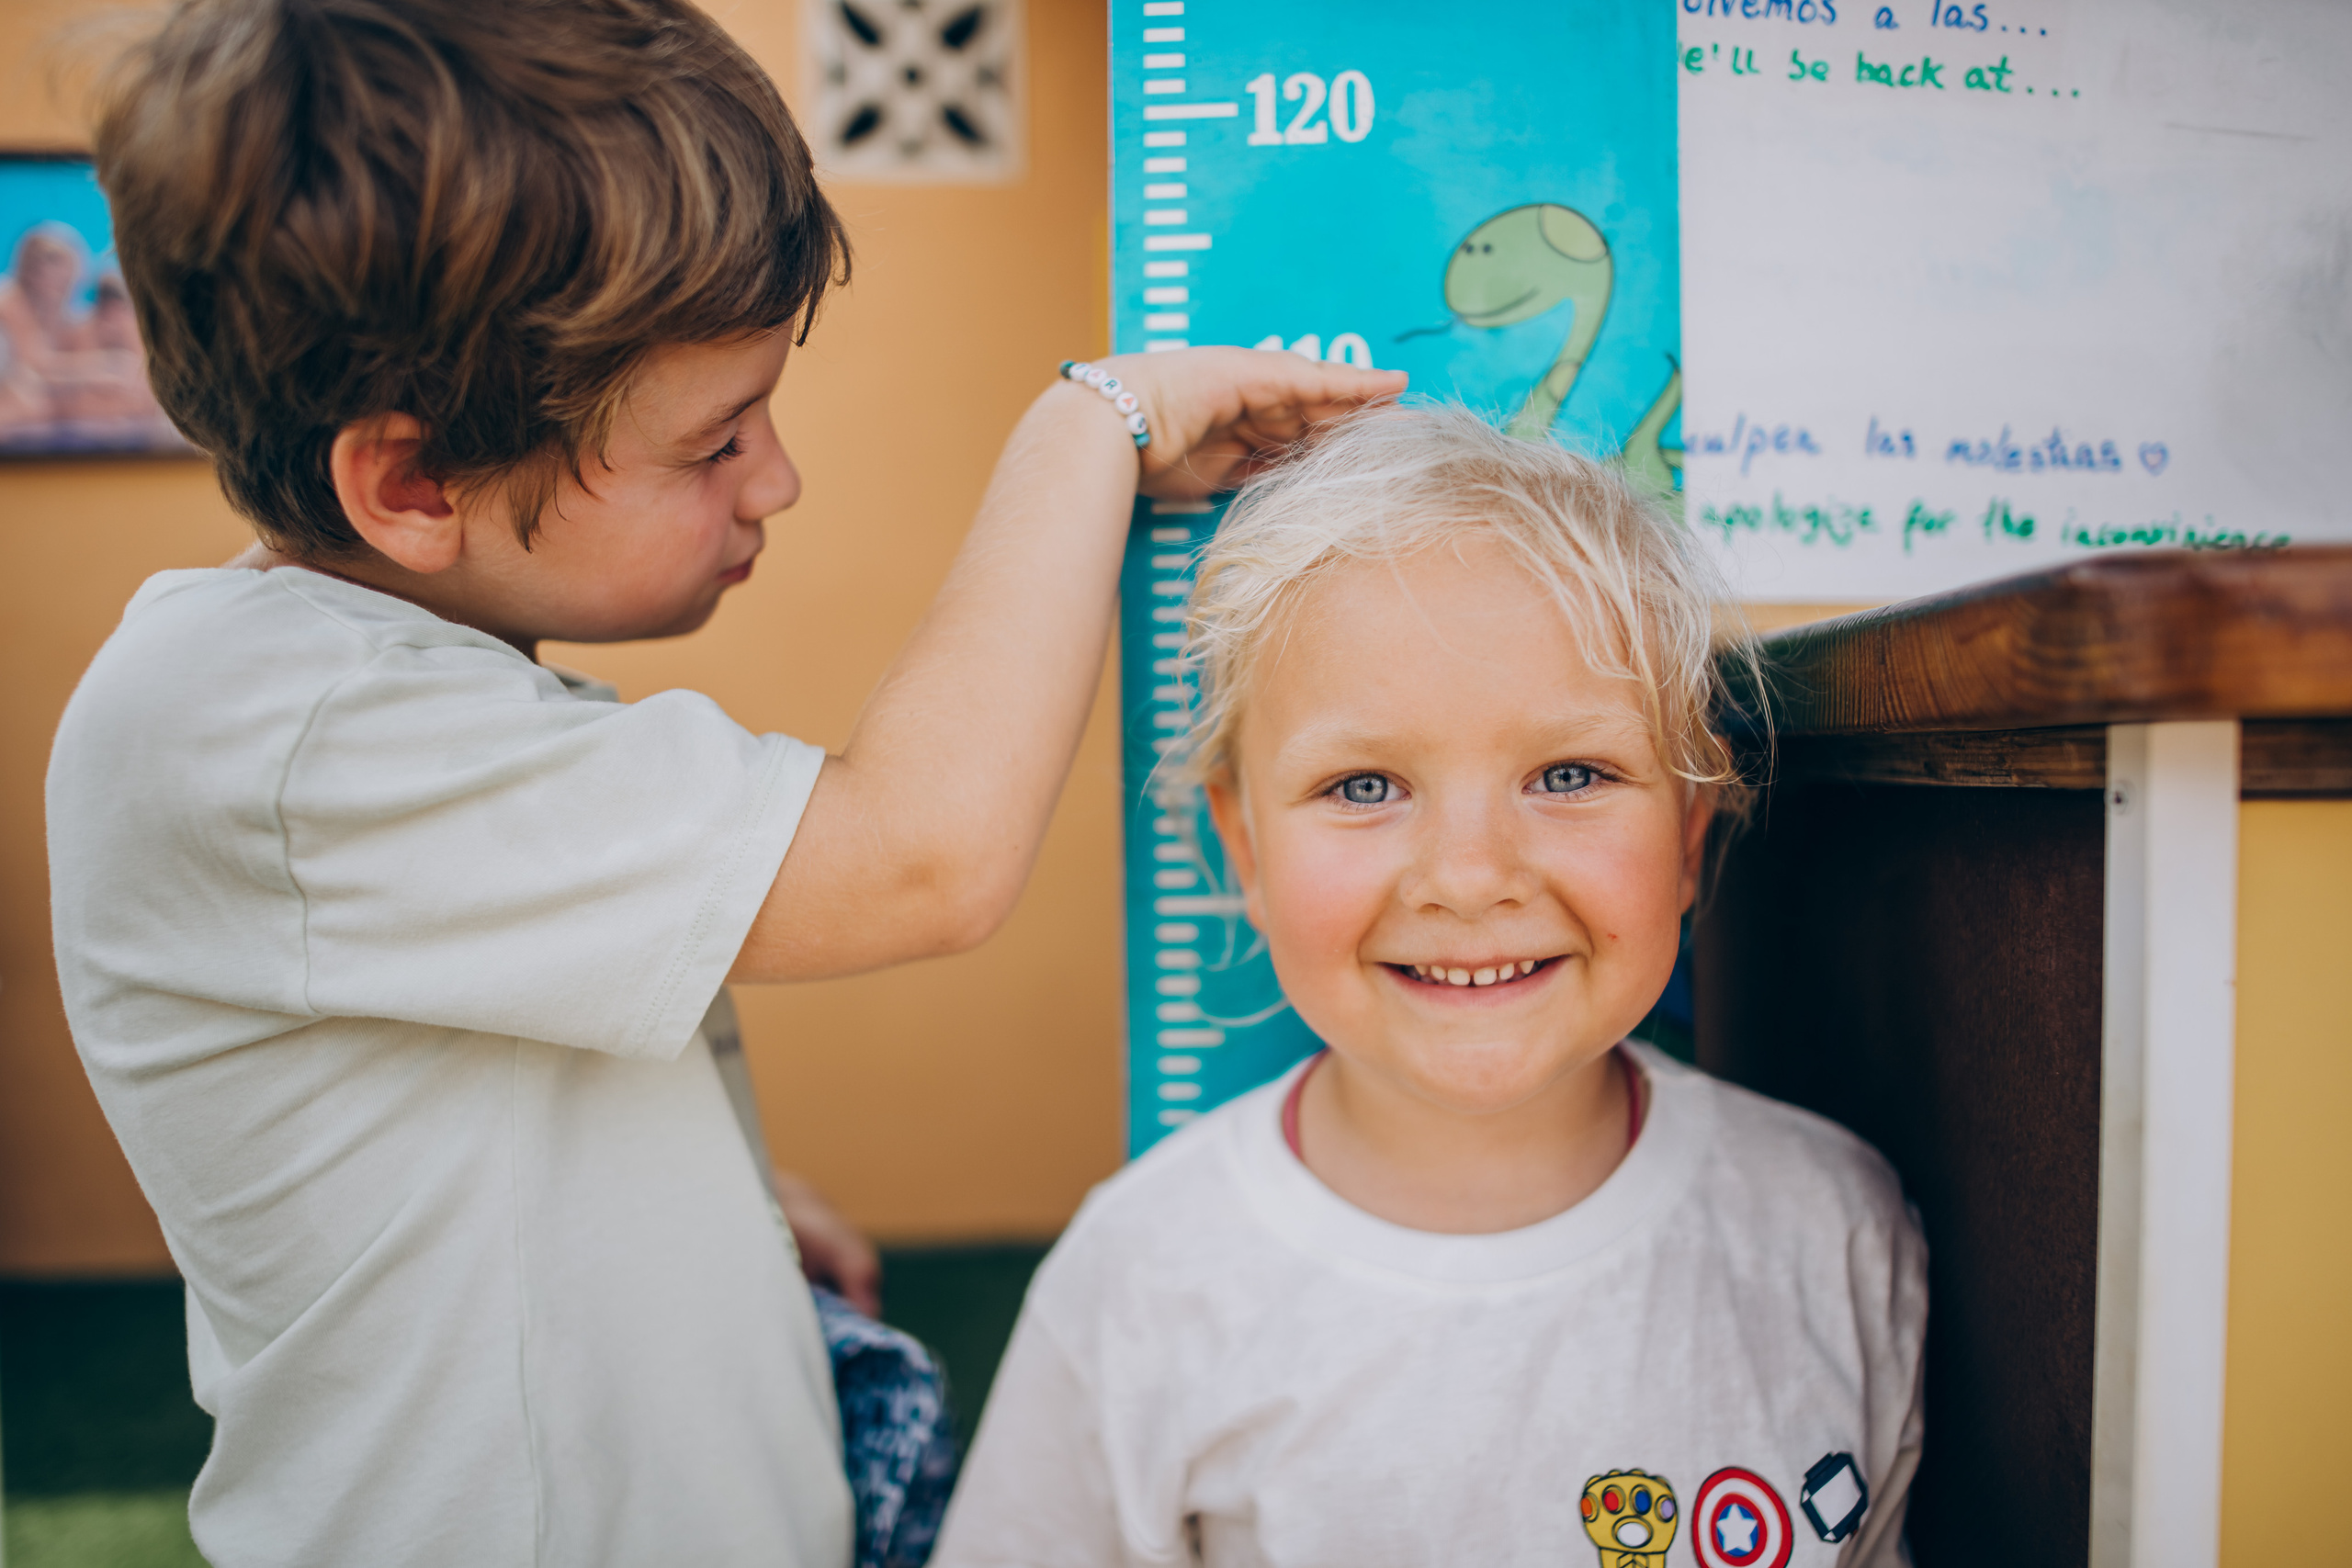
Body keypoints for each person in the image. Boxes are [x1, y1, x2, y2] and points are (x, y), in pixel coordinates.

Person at [43, 2, 1402, 1564]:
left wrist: (702, 1208)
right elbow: (920, 855)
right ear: (413, 481)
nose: (777, 477)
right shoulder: (274, 727)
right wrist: (1088, 426)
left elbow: (444, 1076)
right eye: (712, 443)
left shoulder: (368, 687)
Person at [934, 403, 1927, 1567]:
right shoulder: (1142, 1279)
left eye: (1568, 773)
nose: (1468, 877)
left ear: (1692, 839)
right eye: (1363, 787)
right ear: (1244, 850)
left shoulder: (1832, 1231)